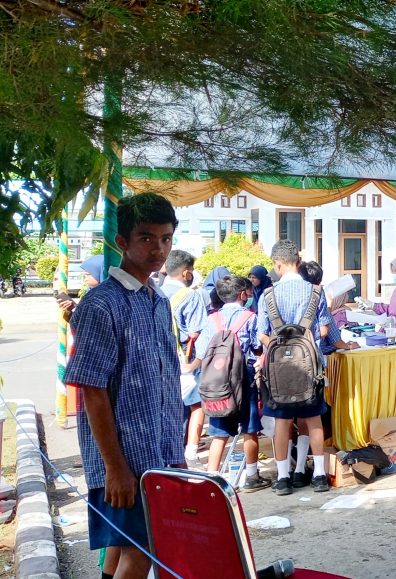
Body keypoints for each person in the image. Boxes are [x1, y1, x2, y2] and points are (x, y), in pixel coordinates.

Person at [64, 193, 185, 578]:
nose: (158, 249)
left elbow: (165, 383)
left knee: (124, 546)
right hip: (124, 461)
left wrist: (175, 453)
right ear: (122, 242)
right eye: (147, 238)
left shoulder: (158, 301)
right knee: (144, 549)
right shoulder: (101, 304)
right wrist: (115, 468)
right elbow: (91, 391)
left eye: (166, 238)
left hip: (158, 456)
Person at [257, 240, 358, 496]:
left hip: (279, 372)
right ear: (298, 263)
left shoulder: (268, 295)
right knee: (312, 419)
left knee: (282, 421)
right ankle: (316, 474)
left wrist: (280, 348)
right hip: (310, 368)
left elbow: (261, 334)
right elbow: (324, 330)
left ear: (277, 265)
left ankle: (282, 478)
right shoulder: (315, 292)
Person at [194, 275, 271, 492]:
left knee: (219, 433)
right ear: (241, 294)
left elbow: (201, 351)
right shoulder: (249, 317)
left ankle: (213, 478)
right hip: (243, 379)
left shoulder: (212, 319)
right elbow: (257, 346)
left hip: (217, 382)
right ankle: (252, 476)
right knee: (249, 429)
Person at [160, 250, 208, 468]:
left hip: (160, 362)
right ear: (187, 273)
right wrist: (195, 364)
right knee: (194, 405)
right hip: (185, 361)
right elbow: (200, 334)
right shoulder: (190, 296)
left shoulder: (154, 292)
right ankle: (188, 451)